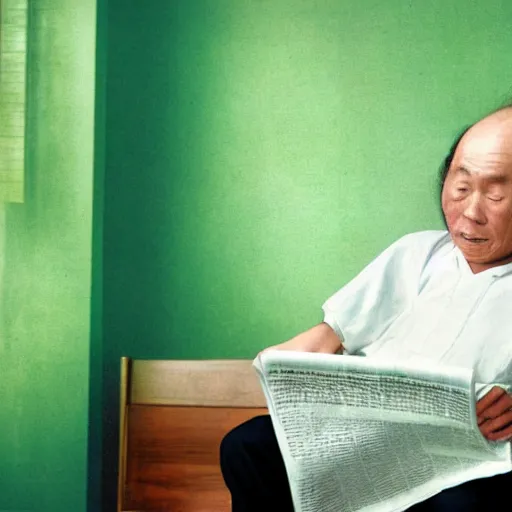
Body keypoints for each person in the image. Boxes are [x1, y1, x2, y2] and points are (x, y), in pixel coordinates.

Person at [220, 105, 512, 511]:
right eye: (460, 187)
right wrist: (279, 370)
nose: (470, 212)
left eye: (495, 194)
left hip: (465, 465)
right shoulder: (416, 254)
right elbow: (319, 343)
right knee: (247, 446)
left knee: (459, 504)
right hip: (364, 440)